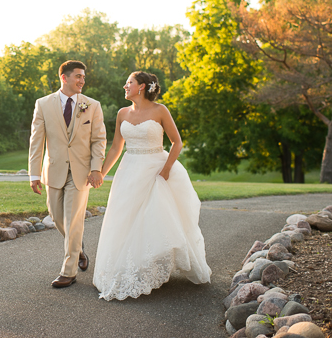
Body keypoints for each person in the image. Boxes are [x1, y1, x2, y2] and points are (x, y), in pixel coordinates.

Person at [91, 71, 211, 300]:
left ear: (142, 87)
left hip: (156, 169)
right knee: (125, 219)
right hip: (129, 170)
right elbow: (116, 147)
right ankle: (127, 266)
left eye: (129, 83)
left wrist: (166, 169)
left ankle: (151, 263)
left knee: (154, 217)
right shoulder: (122, 113)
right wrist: (101, 173)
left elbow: (177, 142)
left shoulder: (160, 110)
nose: (125, 86)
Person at [28, 60, 107, 288]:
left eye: (83, 77)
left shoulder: (92, 105)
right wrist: (34, 174)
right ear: (64, 77)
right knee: (56, 216)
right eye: (78, 76)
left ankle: (68, 271)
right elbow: (36, 142)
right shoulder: (43, 104)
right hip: (53, 170)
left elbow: (98, 140)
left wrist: (96, 169)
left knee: (73, 221)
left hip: (81, 173)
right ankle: (78, 249)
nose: (82, 80)